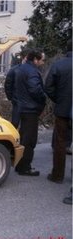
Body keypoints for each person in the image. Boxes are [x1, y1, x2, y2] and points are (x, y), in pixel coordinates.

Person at [44, 40, 72, 184]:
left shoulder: (58, 65)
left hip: (62, 110)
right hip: (64, 107)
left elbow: (48, 86)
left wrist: (59, 99)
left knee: (60, 143)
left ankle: (57, 175)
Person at [14, 49, 46, 176]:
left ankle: (19, 164)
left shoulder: (21, 69)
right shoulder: (32, 71)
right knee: (30, 139)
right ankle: (25, 167)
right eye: (41, 60)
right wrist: (43, 98)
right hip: (30, 109)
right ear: (35, 60)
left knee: (23, 137)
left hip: (22, 107)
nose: (42, 63)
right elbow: (35, 90)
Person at [4, 49, 28, 128]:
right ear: (23, 58)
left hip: (28, 102)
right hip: (17, 100)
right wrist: (10, 97)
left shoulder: (34, 70)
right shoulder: (14, 70)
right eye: (26, 58)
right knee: (15, 122)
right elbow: (8, 84)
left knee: (26, 124)